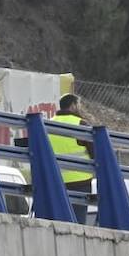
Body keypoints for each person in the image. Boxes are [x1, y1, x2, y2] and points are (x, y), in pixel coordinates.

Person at [49, 93, 95, 223]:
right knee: (78, 223)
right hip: (80, 182)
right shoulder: (80, 124)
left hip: (56, 180)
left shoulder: (47, 124)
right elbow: (95, 152)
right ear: (73, 106)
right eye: (78, 105)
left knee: (58, 221)